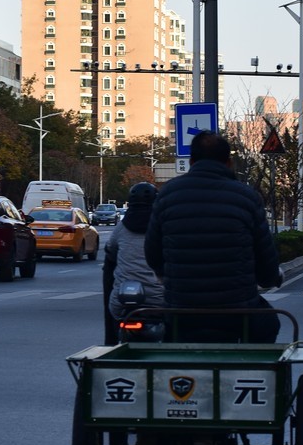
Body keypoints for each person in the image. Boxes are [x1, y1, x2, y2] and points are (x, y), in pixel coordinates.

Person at [144, 130, 283, 343]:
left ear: (191, 162)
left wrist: (172, 277)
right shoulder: (246, 197)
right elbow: (265, 255)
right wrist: (270, 278)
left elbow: (152, 253)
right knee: (270, 325)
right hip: (237, 311)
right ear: (228, 162)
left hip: (182, 309)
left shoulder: (167, 194)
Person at [102, 182, 165, 345]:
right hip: (160, 301)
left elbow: (111, 251)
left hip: (122, 302)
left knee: (108, 269)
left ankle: (110, 341)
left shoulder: (121, 228)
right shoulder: (163, 226)